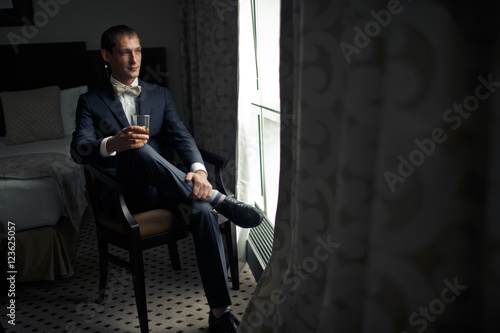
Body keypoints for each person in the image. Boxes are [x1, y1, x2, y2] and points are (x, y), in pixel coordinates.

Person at [71, 25, 263, 333]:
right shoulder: (89, 101)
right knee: (134, 148)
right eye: (124, 52)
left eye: (138, 50)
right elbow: (78, 150)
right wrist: (113, 144)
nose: (134, 59)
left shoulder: (160, 94)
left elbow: (182, 137)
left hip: (170, 187)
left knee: (201, 211)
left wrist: (199, 171)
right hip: (129, 192)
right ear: (106, 56)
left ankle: (220, 313)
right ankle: (218, 199)